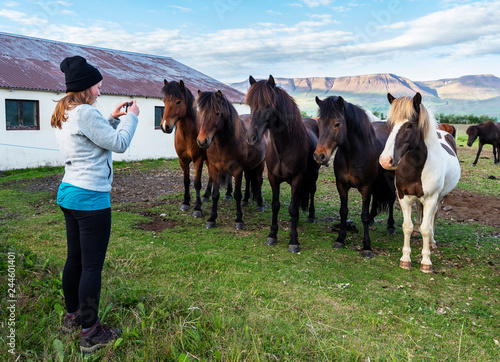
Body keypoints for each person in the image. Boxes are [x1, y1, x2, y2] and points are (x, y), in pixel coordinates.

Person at [51, 55, 139, 354]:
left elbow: (92, 136)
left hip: (69, 192)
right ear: (87, 88)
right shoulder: (86, 113)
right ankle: (90, 333)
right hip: (90, 198)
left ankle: (73, 315)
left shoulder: (66, 110)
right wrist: (131, 118)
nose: (101, 91)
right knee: (91, 268)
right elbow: (119, 143)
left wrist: (112, 118)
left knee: (74, 260)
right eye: (98, 87)